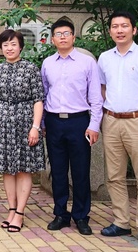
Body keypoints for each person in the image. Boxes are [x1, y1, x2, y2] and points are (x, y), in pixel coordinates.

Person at [97, 11, 138, 248]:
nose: (119, 30)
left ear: (133, 29)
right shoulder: (104, 58)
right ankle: (121, 221)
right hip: (112, 121)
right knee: (115, 176)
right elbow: (102, 89)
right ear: (110, 31)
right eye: (115, 26)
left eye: (124, 26)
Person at [41, 20, 103, 235]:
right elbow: (44, 94)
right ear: (52, 39)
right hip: (54, 122)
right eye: (58, 34)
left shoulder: (87, 63)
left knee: (80, 171)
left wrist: (94, 125)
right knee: (57, 171)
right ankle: (61, 214)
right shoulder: (48, 63)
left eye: (66, 33)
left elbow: (96, 98)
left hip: (79, 122)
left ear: (74, 37)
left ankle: (81, 216)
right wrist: (43, 123)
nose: (63, 37)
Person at [0, 29, 44, 233]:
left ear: (20, 47)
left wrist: (35, 127)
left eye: (13, 44)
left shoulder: (30, 69)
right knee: (7, 169)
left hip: (25, 124)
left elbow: (38, 100)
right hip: (2, 126)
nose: (9, 48)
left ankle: (20, 213)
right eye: (5, 45)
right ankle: (11, 209)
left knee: (23, 168)